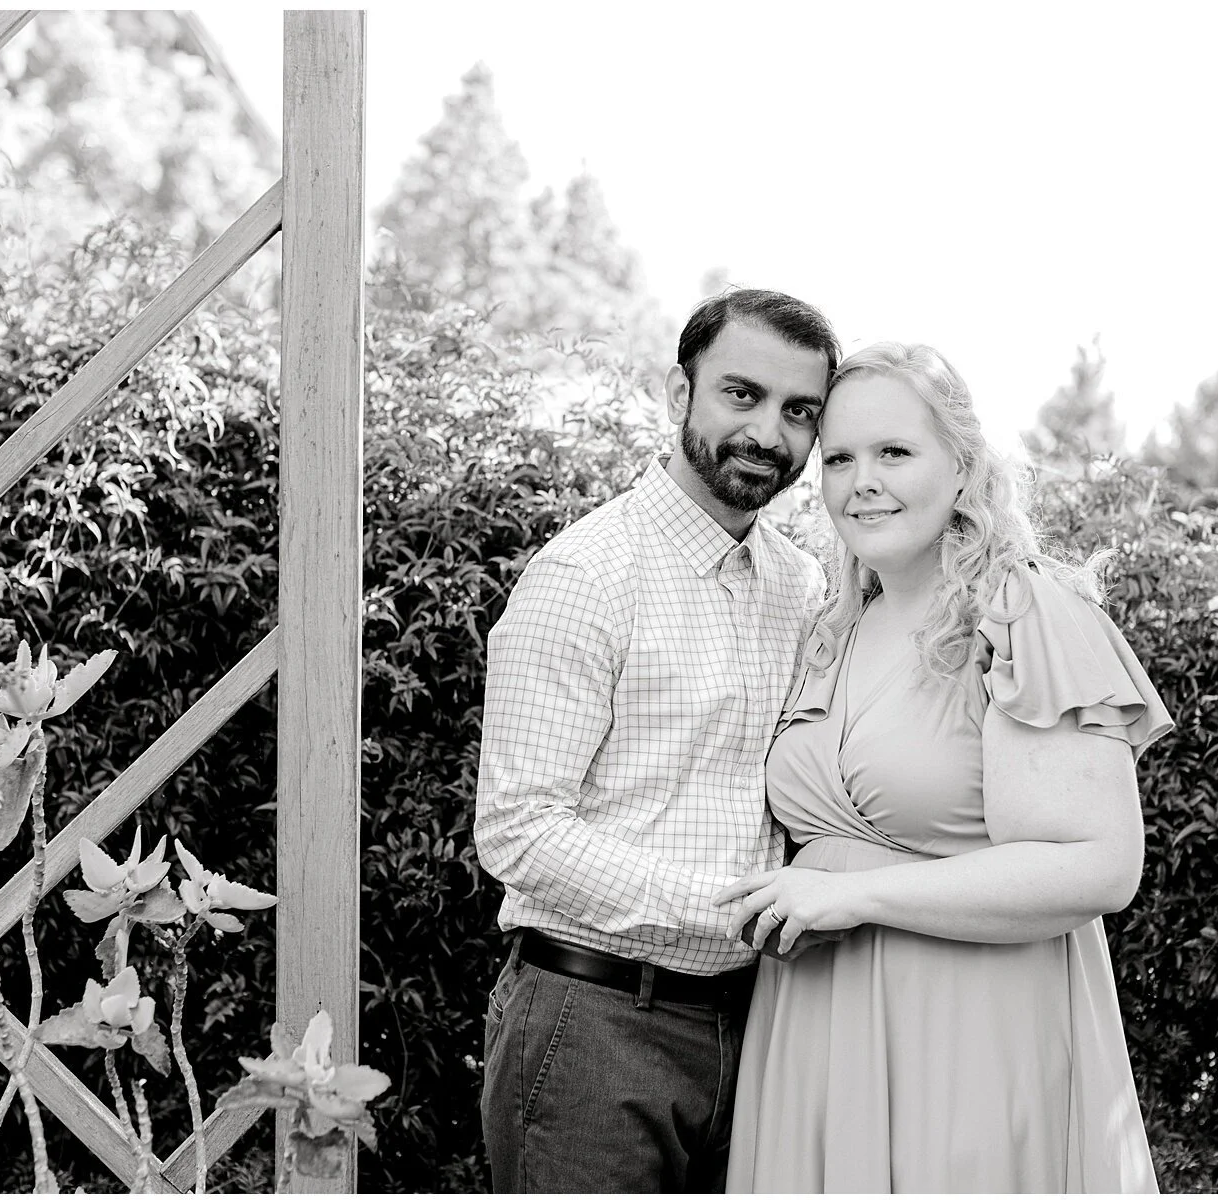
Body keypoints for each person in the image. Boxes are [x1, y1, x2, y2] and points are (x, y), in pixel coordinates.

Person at [715, 341, 1173, 1193]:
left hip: (970, 1035)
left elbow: (1099, 867)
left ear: (963, 468)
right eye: (840, 459)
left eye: (894, 452)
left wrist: (856, 897)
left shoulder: (1021, 611)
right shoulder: (833, 627)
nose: (862, 482)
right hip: (813, 1030)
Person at [474, 289, 841, 1192]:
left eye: (800, 411)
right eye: (742, 394)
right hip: (594, 1024)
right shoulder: (586, 575)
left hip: (757, 1028)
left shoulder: (802, 588)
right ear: (681, 393)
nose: (768, 433)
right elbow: (518, 829)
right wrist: (727, 909)